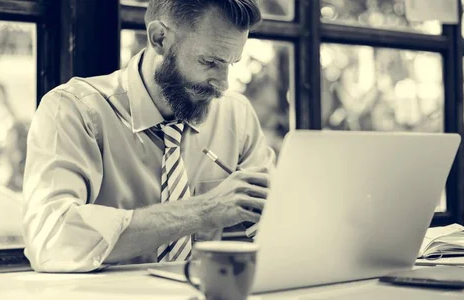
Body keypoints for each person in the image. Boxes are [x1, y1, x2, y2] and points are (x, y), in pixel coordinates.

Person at [22, 0, 275, 272]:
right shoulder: (74, 110)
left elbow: (278, 227)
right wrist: (204, 210)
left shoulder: (236, 116)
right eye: (210, 62)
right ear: (159, 38)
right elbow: (51, 241)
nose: (223, 85)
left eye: (231, 64)